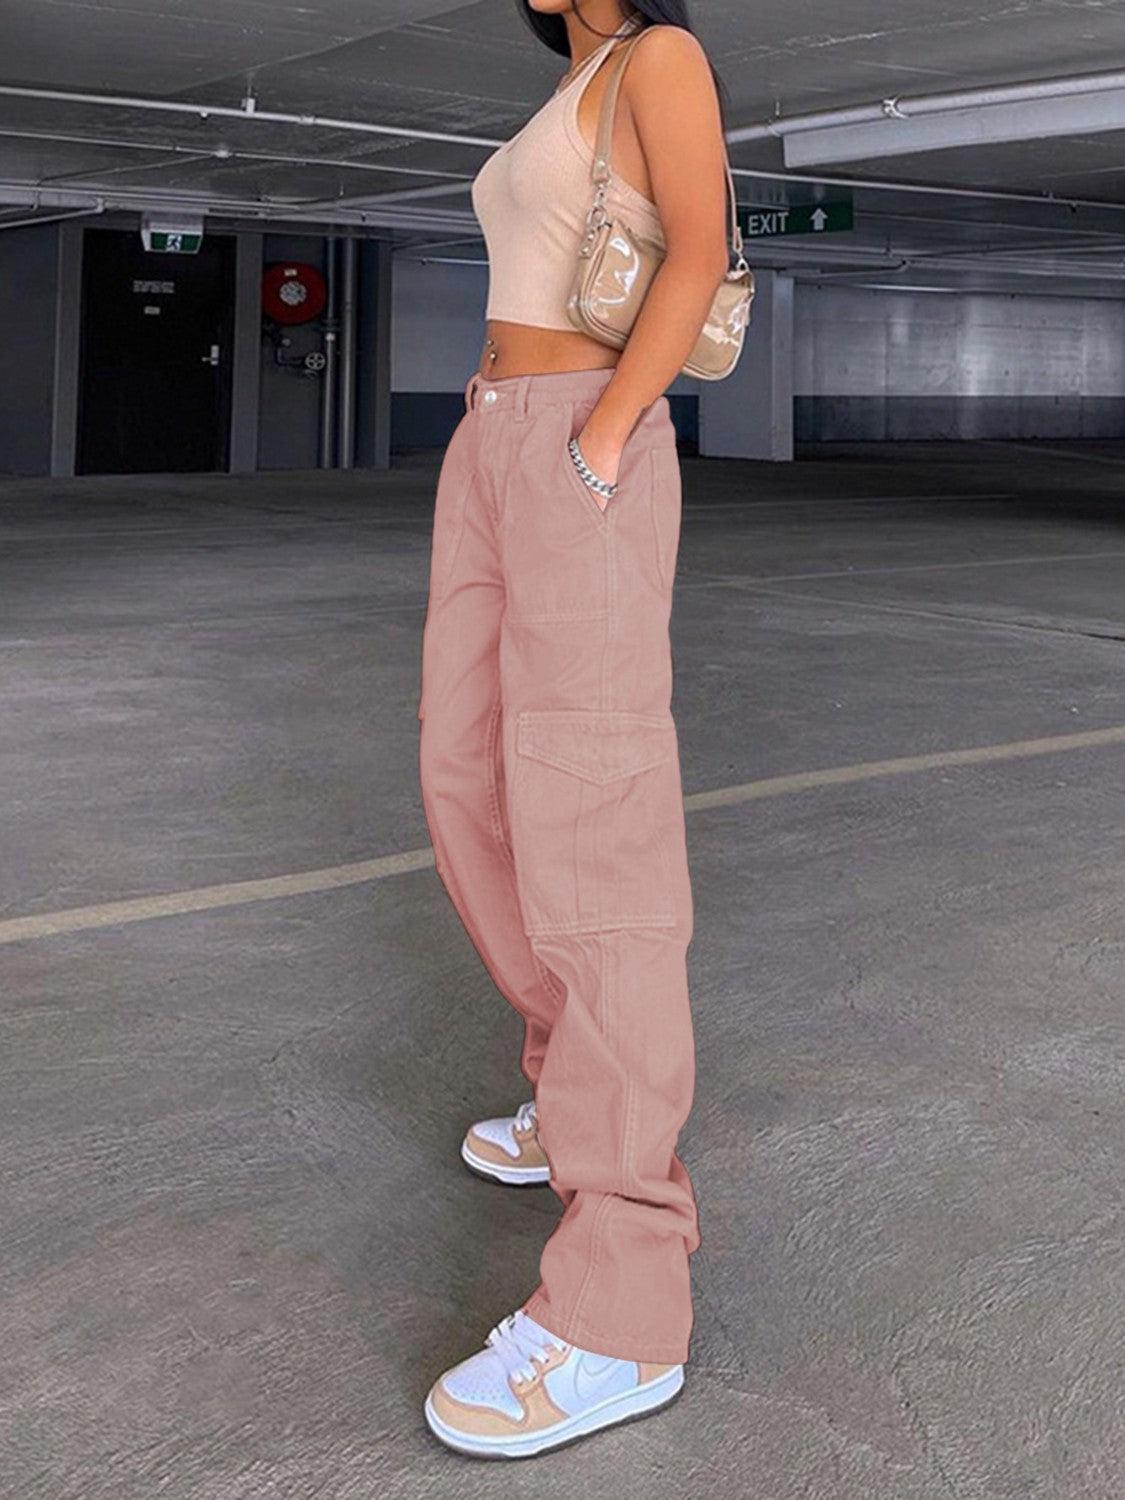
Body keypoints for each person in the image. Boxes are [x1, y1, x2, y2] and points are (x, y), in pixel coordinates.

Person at [416, 0, 732, 1459]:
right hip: (496, 432)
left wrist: (601, 435)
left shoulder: (659, 56)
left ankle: (618, 1308)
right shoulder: (578, 77)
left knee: (590, 822)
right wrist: (522, 436)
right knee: (469, 777)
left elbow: (698, 249)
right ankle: (568, 1080)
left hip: (573, 433)